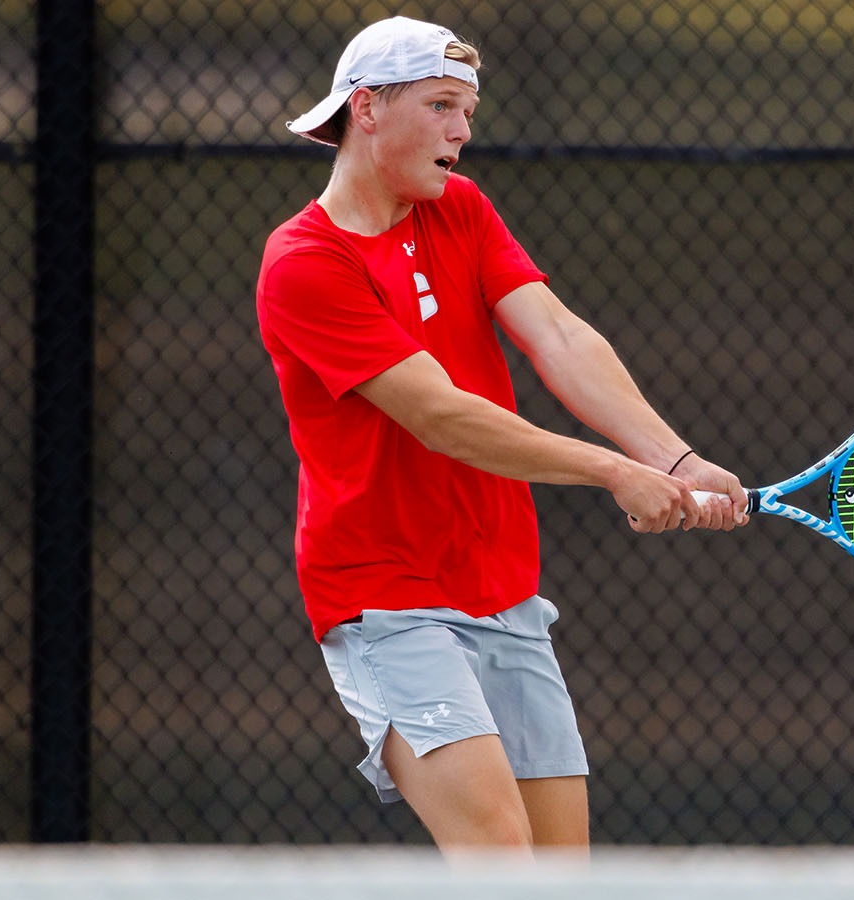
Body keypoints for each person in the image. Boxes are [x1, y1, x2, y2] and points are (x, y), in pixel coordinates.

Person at [255, 16, 750, 856]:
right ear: (366, 109)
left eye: (469, 112)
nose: (461, 132)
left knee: (558, 873)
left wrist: (675, 458)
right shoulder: (304, 263)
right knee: (500, 861)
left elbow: (559, 336)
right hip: (386, 601)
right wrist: (613, 472)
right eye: (441, 106)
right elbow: (440, 416)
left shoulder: (460, 209)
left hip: (502, 588)